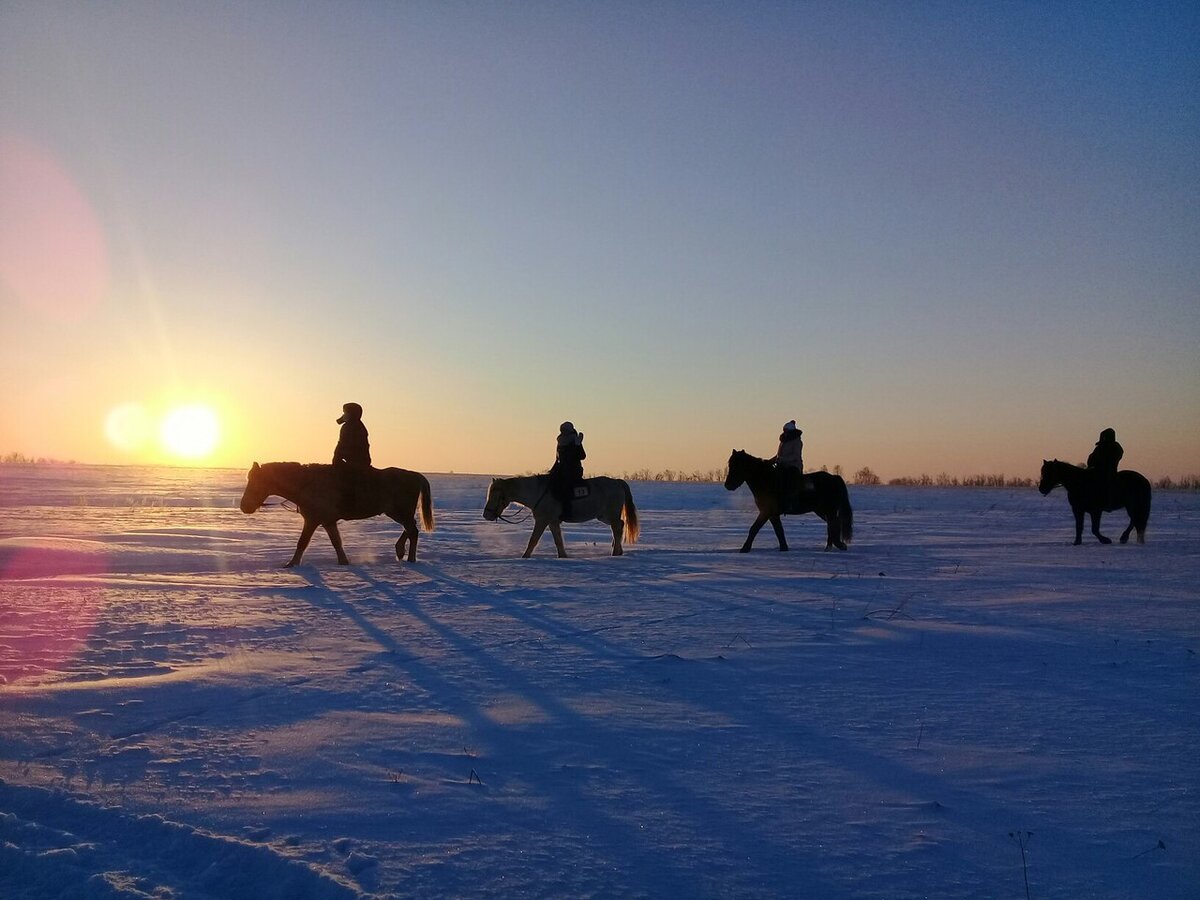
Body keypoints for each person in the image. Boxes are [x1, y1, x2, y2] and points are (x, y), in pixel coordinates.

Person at [333, 402, 371, 509]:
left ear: (351, 414)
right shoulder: (357, 425)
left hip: (356, 462)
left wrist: (337, 458)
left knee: (344, 478)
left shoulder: (350, 426)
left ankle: (347, 503)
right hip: (357, 460)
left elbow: (342, 444)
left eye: (345, 413)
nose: (343, 415)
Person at [549, 422, 586, 518]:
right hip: (561, 470)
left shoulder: (574, 440)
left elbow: (582, 456)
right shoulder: (560, 441)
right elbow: (558, 458)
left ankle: (567, 510)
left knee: (566, 487)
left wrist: (578, 445)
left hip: (573, 470)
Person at [770, 420, 804, 510]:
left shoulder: (797, 442)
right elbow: (779, 455)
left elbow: (796, 456)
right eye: (784, 430)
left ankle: (791, 500)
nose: (784, 432)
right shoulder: (783, 441)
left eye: (786, 431)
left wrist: (782, 460)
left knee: (789, 480)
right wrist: (770, 461)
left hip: (794, 466)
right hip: (782, 465)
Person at [1086, 427, 1123, 506]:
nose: (1104, 439)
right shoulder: (1099, 447)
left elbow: (1114, 458)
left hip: (1108, 471)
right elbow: (1091, 459)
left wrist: (1104, 463)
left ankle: (1107, 501)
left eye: (1105, 437)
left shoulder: (1115, 447)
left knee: (1105, 484)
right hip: (1096, 470)